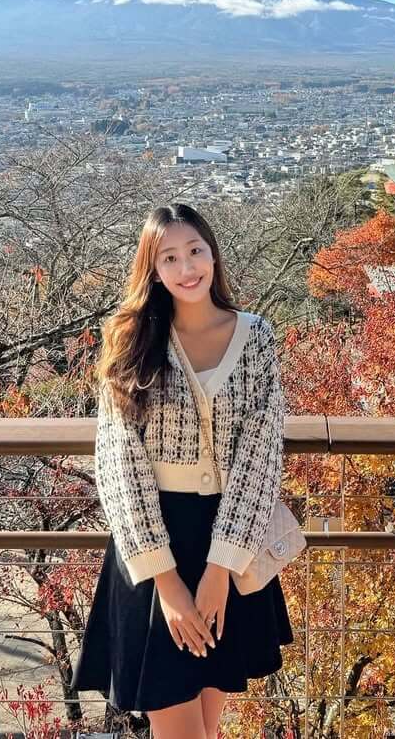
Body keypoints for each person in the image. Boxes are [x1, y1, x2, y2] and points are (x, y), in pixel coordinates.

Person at [71, 202, 294, 738]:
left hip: (230, 543)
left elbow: (260, 454)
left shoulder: (256, 336)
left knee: (208, 731)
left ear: (214, 254)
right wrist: (168, 586)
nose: (187, 266)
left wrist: (220, 572)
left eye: (196, 250)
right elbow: (118, 461)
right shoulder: (130, 340)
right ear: (153, 269)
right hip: (153, 550)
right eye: (169, 257)